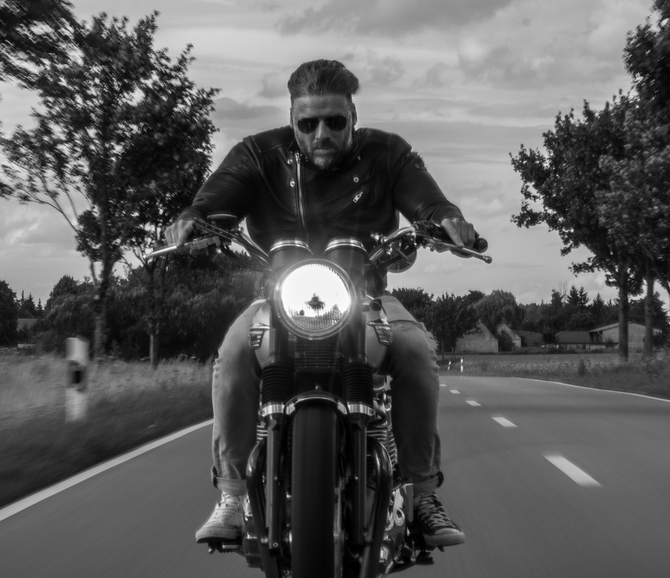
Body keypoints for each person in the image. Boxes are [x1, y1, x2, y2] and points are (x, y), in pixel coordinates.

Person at [167, 58, 480, 549]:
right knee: (231, 355)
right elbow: (218, 195)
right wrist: (194, 217)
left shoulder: (388, 153)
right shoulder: (258, 154)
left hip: (366, 297)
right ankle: (231, 497)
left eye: (335, 121)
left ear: (353, 115)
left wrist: (447, 220)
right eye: (308, 123)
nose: (322, 133)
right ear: (292, 120)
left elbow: (426, 200)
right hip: (278, 299)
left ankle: (421, 496)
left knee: (416, 352)